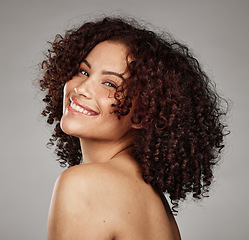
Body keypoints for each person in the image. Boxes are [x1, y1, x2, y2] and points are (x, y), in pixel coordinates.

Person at [39, 16, 227, 240]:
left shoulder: (84, 185)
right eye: (83, 72)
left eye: (110, 84)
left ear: (143, 114)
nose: (82, 89)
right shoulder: (152, 198)